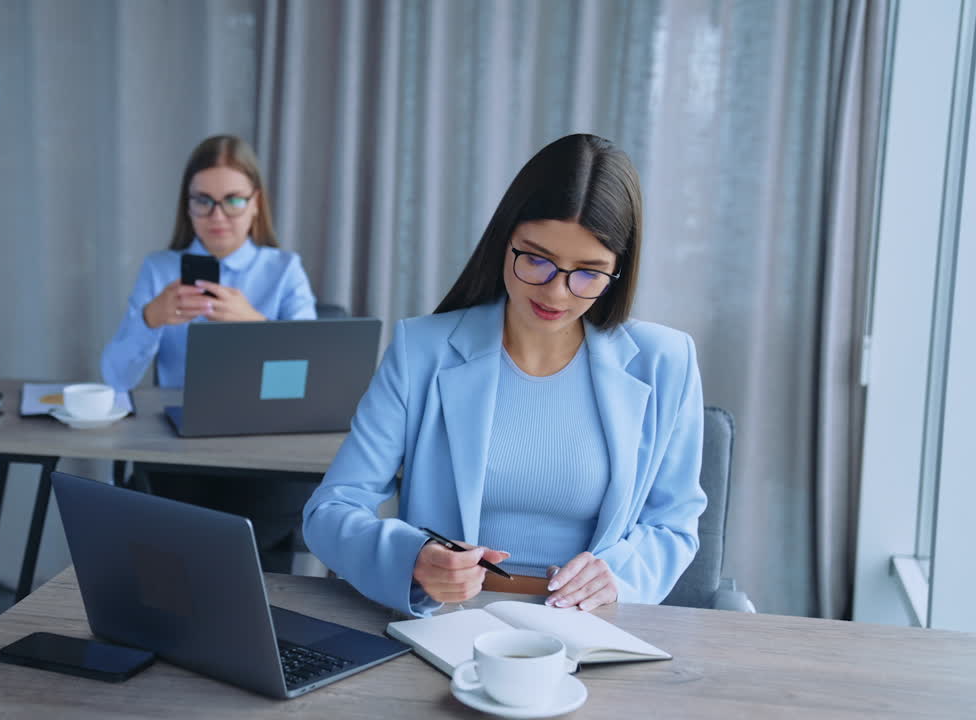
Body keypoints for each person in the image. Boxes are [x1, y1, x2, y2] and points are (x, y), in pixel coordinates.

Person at [302, 134, 707, 617]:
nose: (556, 293)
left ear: (619, 270)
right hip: (449, 622)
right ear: (504, 241)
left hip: (592, 626)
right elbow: (330, 512)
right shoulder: (422, 351)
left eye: (588, 272)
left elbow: (674, 522)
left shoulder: (666, 360)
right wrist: (412, 560)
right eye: (535, 258)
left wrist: (619, 573)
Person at [101, 135, 319, 565]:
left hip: (267, 445)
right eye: (203, 201)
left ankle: (251, 621)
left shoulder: (284, 269)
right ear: (188, 206)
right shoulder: (160, 269)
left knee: (251, 532)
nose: (217, 215)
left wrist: (255, 324)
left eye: (233, 200)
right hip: (181, 447)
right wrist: (150, 319)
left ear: (256, 203)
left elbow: (311, 377)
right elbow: (114, 379)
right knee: (182, 531)